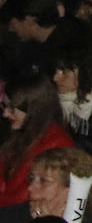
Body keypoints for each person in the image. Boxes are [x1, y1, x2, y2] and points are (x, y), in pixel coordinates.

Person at [0, 75, 74, 206]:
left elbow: (27, 196)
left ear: (33, 109)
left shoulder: (56, 145)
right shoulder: (23, 135)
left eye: (11, 108)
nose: (5, 113)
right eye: (4, 106)